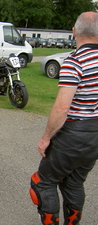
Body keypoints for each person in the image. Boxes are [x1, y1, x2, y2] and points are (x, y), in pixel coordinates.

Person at [30, 11, 98, 225]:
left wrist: (45, 138)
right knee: (74, 182)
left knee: (42, 182)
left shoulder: (75, 61)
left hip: (72, 135)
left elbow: (61, 108)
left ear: (74, 32)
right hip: (95, 136)